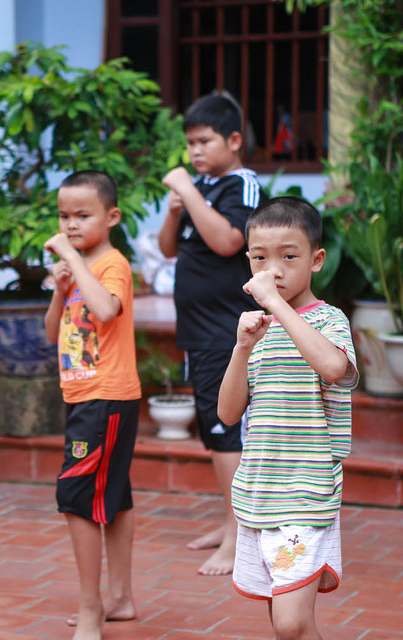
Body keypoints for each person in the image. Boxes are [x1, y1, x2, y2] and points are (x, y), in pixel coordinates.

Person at [217, 197, 358, 639]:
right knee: (283, 626)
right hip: (260, 493)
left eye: (288, 257)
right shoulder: (256, 329)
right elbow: (227, 412)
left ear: (316, 260)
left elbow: (335, 369)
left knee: (293, 623)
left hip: (307, 490)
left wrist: (277, 306)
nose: (273, 270)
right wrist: (241, 348)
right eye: (260, 258)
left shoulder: (329, 320)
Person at [157, 92, 265, 576]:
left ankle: (240, 535)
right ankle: (230, 524)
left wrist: (190, 190)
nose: (195, 152)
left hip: (225, 332)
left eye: (205, 141)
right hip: (200, 332)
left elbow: (228, 241)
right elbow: (167, 249)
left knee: (227, 433)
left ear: (234, 140)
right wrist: (177, 206)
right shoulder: (200, 188)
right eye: (190, 143)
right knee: (215, 429)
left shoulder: (240, 184)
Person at [44, 170, 141, 640]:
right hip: (85, 395)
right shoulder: (79, 270)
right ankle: (120, 597)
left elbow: (105, 310)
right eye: (64, 216)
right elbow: (54, 334)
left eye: (83, 215)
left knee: (75, 497)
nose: (71, 225)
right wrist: (59, 291)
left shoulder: (110, 264)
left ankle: (91, 609)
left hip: (107, 397)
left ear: (112, 216)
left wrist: (71, 261)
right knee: (115, 498)